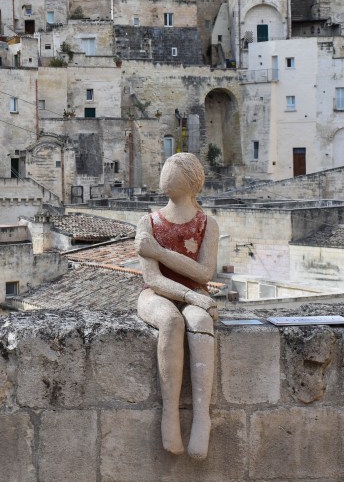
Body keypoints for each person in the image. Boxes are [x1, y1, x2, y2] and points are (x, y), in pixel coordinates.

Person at [135, 152, 219, 460]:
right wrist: (192, 296)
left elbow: (203, 273)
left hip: (194, 292)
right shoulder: (148, 221)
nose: (166, 169)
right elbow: (153, 280)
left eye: (174, 166)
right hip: (155, 295)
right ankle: (169, 415)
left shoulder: (207, 223)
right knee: (171, 321)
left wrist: (159, 251)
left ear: (191, 179)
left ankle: (202, 416)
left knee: (200, 322)